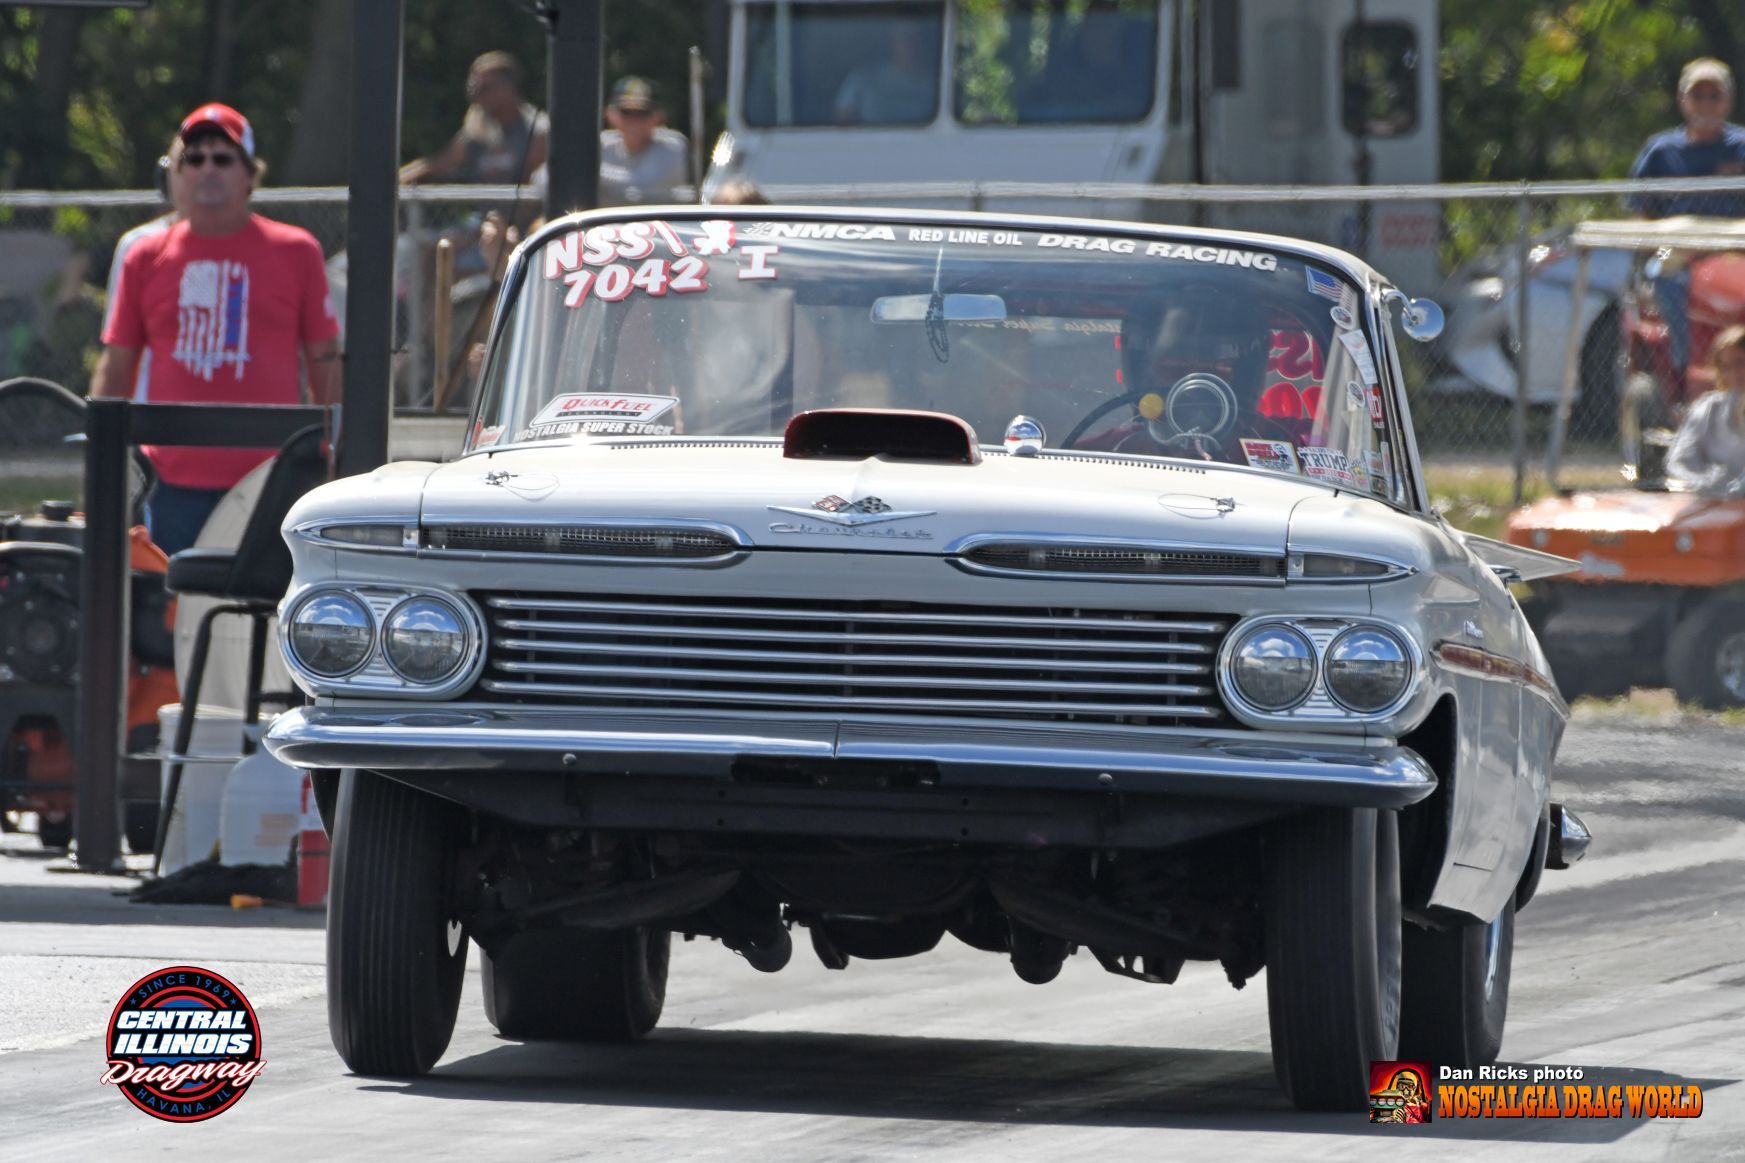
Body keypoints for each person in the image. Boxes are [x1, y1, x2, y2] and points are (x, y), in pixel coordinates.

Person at [93, 102, 342, 555]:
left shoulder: (297, 251)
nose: (208, 169)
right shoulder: (144, 256)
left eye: (222, 158)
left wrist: (332, 452)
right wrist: (103, 459)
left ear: (250, 174)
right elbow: (118, 366)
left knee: (266, 613)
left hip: (270, 479)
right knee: (169, 612)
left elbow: (324, 359)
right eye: (195, 159)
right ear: (178, 175)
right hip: (170, 482)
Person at [1629, 58, 1745, 380]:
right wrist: (1652, 243)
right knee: (1658, 269)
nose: (1706, 103)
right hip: (1673, 247)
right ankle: (1686, 361)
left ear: (1728, 101)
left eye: (1714, 95)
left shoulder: (1741, 146)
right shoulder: (1660, 150)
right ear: (1682, 100)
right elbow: (1642, 213)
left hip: (1733, 247)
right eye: (1698, 95)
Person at [104, 142, 190, 400]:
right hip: (151, 415)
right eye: (190, 163)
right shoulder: (140, 244)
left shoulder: (263, 247)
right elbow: (118, 348)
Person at [401, 52, 549, 186]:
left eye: (484, 88)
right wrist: (396, 182)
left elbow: (531, 188)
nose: (477, 96)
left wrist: (508, 217)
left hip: (530, 216)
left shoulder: (538, 132)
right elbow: (438, 165)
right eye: (473, 88)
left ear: (508, 88)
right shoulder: (478, 128)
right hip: (484, 215)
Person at [1668, 324, 1745, 492]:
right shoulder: (1709, 408)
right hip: (1714, 504)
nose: (1734, 372)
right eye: (1726, 367)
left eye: (1740, 363)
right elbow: (1681, 460)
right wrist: (1706, 481)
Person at [598, 77, 690, 206]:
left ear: (658, 116)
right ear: (610, 114)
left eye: (643, 113)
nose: (634, 121)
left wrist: (596, 174)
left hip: (659, 223)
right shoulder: (602, 145)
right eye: (626, 112)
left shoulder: (672, 146)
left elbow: (638, 188)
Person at [834, 20, 937, 125]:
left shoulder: (937, 85)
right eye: (905, 37)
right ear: (892, 41)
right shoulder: (863, 78)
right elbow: (843, 119)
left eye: (917, 38)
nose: (911, 45)